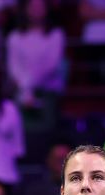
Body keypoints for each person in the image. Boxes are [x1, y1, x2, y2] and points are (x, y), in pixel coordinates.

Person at [6, 0, 66, 130]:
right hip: (21, 93)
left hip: (47, 92)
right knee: (21, 131)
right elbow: (13, 67)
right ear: (25, 9)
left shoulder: (56, 35)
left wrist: (29, 85)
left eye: (40, 6)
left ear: (47, 9)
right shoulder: (14, 36)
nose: (36, 9)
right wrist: (25, 90)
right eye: (33, 6)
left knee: (47, 131)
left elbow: (52, 65)